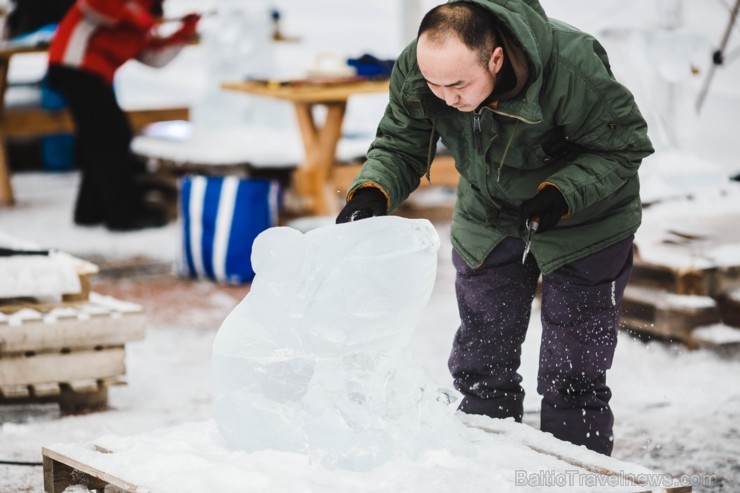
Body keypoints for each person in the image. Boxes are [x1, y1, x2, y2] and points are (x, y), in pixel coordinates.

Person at [336, 0, 653, 456]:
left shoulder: (570, 65)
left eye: (459, 85)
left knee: (573, 373)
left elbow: (623, 147)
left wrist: (562, 192)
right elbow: (402, 141)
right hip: (490, 212)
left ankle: (576, 478)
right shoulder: (423, 67)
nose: (446, 98)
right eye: (434, 84)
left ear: (496, 59)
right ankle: (489, 468)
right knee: (483, 361)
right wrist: (372, 191)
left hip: (586, 220)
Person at [46, 0, 200, 230]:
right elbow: (92, 5)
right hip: (74, 65)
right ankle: (123, 215)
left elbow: (153, 57)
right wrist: (135, 14)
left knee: (100, 139)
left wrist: (185, 32)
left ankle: (90, 211)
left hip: (94, 75)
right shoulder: (128, 8)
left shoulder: (144, 20)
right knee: (112, 138)